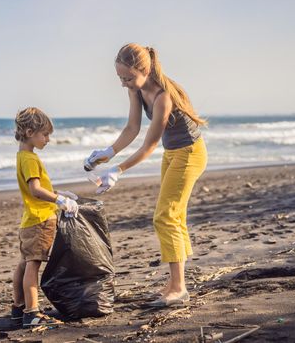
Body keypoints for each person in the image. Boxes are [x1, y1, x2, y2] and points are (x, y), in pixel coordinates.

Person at [84, 43, 208, 307]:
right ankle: (176, 283)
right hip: (173, 153)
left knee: (165, 216)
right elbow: (132, 128)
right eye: (120, 78)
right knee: (175, 216)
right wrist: (108, 152)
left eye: (127, 77)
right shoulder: (136, 89)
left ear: (145, 69)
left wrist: (118, 171)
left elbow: (149, 145)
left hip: (190, 153)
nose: (124, 83)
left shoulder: (164, 96)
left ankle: (178, 288)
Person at [12, 107, 79, 327]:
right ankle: (31, 313)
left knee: (23, 264)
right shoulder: (31, 159)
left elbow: (40, 189)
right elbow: (35, 190)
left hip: (29, 219)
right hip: (40, 220)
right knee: (33, 265)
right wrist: (58, 201)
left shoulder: (22, 155)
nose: (48, 139)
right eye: (45, 134)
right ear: (30, 132)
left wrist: (60, 193)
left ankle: (18, 307)